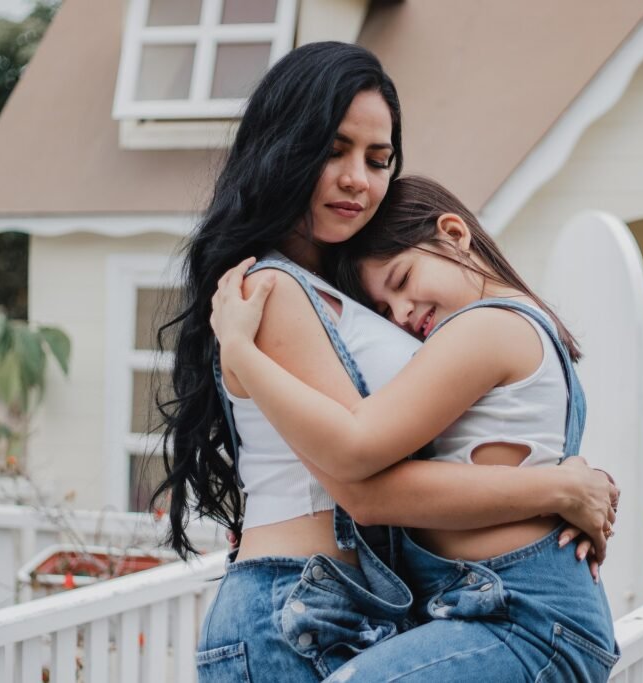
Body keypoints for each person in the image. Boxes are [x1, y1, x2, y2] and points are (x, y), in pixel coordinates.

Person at [155, 42, 618, 682]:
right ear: (285, 147)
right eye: (334, 150)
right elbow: (357, 475)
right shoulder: (272, 289)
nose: (359, 179)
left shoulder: (350, 291)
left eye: (379, 159)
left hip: (351, 608)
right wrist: (557, 489)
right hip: (294, 604)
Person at [210, 175, 620, 681]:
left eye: (401, 280)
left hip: (523, 618)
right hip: (504, 612)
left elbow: (359, 448)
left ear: (454, 233)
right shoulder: (514, 328)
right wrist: (562, 487)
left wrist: (241, 355)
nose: (402, 314)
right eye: (384, 310)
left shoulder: (487, 327)